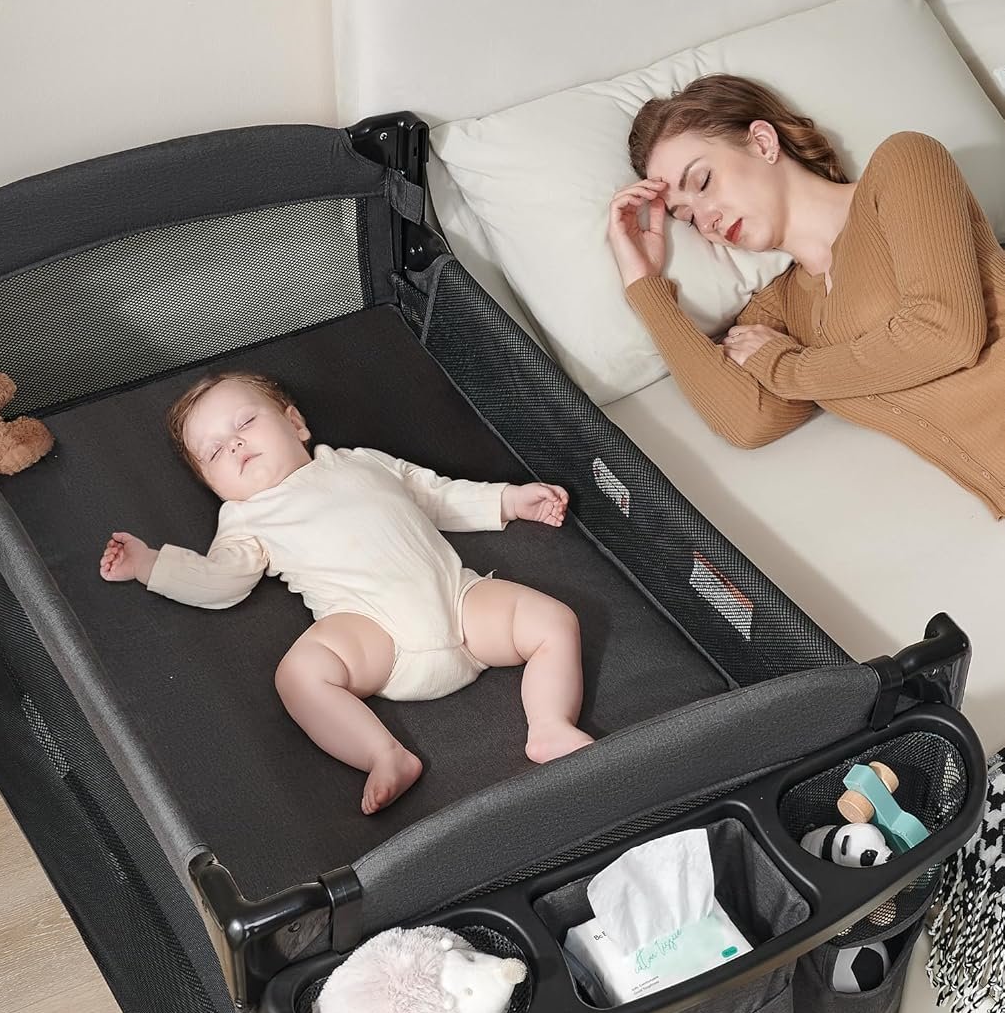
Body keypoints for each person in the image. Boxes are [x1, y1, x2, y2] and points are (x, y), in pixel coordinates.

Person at [99, 370, 592, 815]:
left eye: (245, 422)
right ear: (214, 486)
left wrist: (508, 500)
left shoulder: (360, 462)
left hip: (459, 603)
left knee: (554, 621)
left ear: (295, 423)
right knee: (298, 675)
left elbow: (435, 494)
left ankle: (549, 725)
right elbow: (220, 580)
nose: (234, 444)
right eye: (214, 452)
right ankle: (383, 754)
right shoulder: (247, 518)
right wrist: (149, 564)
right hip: (373, 635)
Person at [606, 74, 1005, 517]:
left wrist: (786, 367)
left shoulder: (903, 165)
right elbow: (749, 421)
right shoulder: (780, 308)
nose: (707, 219)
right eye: (686, 217)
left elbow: (945, 335)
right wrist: (643, 284)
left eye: (702, 182)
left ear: (762, 142)